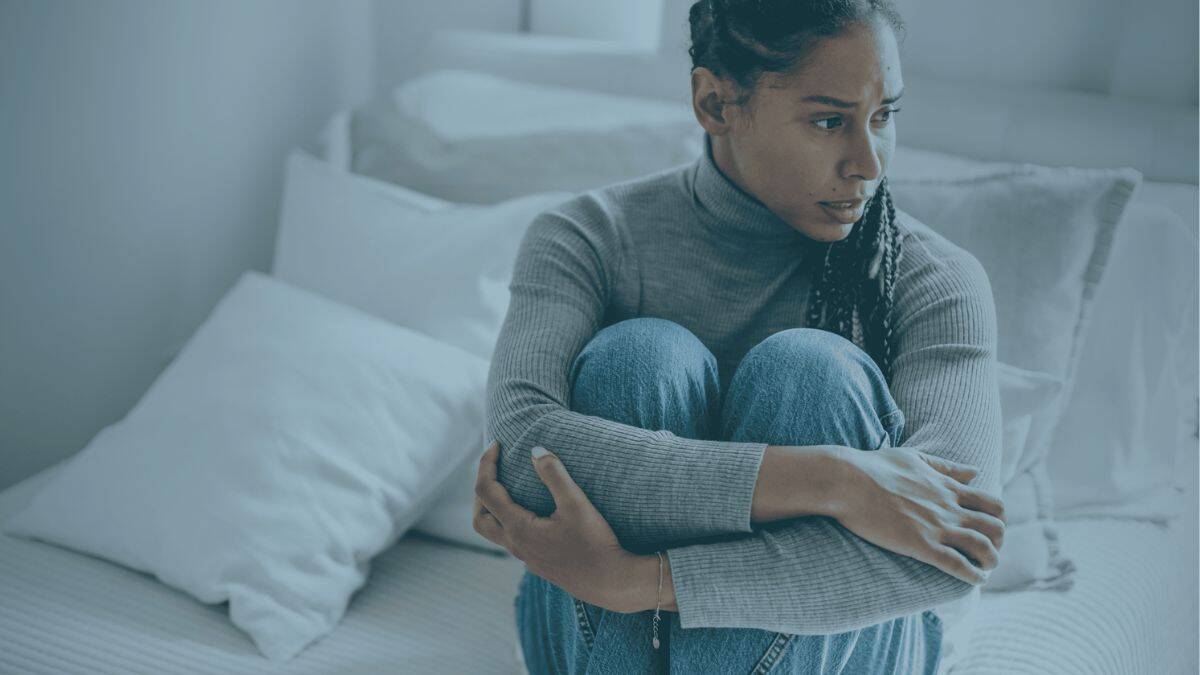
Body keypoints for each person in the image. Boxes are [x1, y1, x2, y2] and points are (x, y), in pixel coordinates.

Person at [472, 0, 1007, 672]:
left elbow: (960, 549)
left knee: (812, 373)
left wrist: (642, 581)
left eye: (884, 115)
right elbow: (520, 448)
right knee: (638, 359)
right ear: (716, 103)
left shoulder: (934, 279)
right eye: (829, 120)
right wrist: (837, 479)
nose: (868, 162)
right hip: (598, 643)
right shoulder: (589, 238)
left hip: (848, 642)